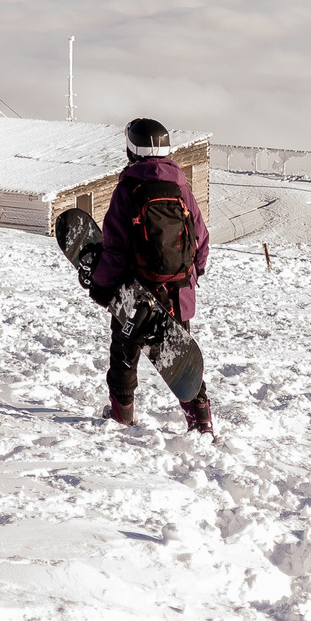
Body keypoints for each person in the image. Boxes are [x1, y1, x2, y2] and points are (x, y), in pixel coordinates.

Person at [87, 117, 214, 433]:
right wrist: (191, 274)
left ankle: (122, 415)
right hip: (177, 292)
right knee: (181, 357)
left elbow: (115, 249)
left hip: (136, 293)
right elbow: (200, 236)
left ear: (131, 148)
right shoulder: (180, 186)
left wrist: (101, 286)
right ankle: (201, 422)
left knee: (124, 355)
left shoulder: (128, 188)